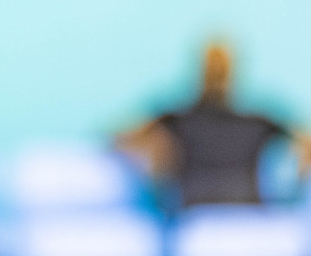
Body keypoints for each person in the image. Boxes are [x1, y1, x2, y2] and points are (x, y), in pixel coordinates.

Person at [116, 39, 311, 208]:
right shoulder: (258, 121)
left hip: (201, 216)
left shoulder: (177, 119)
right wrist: (293, 193)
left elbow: (123, 138)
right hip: (241, 216)